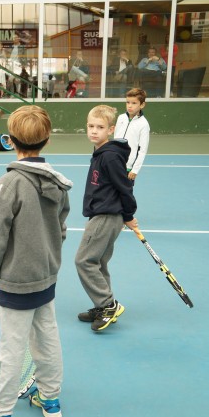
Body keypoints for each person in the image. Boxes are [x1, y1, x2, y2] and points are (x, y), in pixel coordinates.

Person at [0, 105, 71, 417]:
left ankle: (0, 412)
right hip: (47, 276)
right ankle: (50, 397)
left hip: (15, 280)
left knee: (11, 348)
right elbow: (62, 229)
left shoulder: (7, 184)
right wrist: (48, 260)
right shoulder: (59, 181)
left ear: (9, 140)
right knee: (47, 337)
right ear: (47, 140)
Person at [75, 105, 138, 333]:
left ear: (110, 129)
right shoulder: (102, 153)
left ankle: (108, 305)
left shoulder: (110, 157)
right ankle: (101, 307)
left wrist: (129, 215)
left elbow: (125, 187)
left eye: (100, 127)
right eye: (91, 126)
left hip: (107, 215)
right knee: (98, 262)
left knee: (84, 261)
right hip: (101, 214)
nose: (94, 131)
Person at [114, 88, 150, 182]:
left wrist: (135, 170)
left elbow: (142, 150)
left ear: (142, 105)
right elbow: (115, 139)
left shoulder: (144, 124)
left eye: (134, 103)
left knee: (125, 195)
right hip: (114, 164)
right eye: (128, 102)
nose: (130, 106)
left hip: (128, 168)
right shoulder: (121, 118)